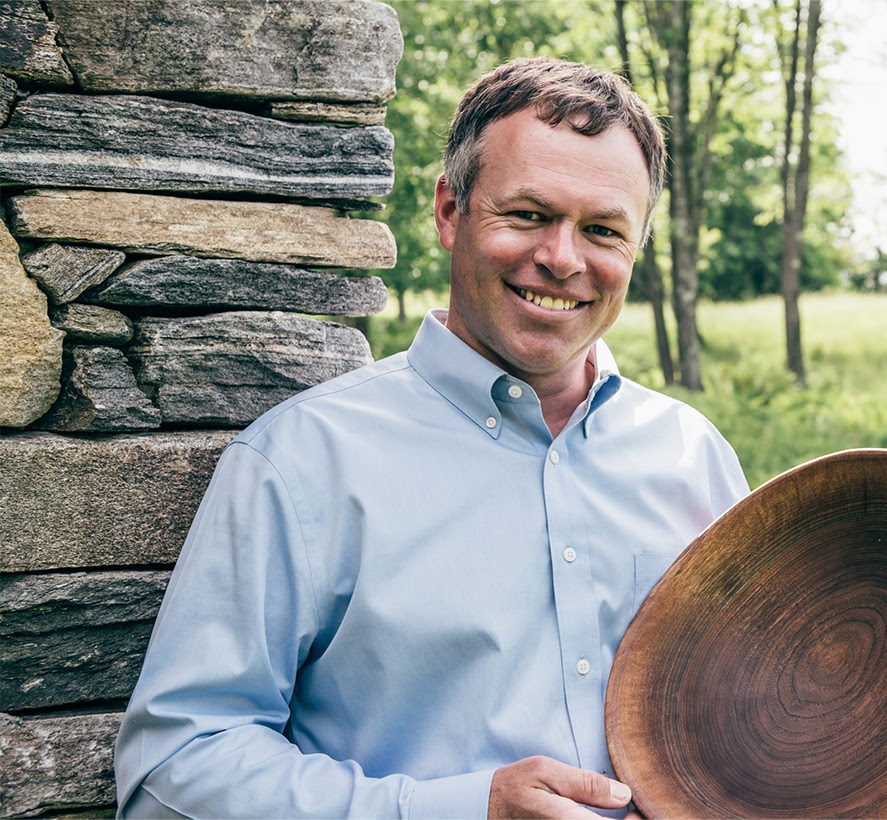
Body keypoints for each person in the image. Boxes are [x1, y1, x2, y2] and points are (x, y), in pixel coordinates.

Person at [114, 58, 749, 818]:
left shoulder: (692, 453)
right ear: (450, 210)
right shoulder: (303, 461)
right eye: (527, 214)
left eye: (603, 229)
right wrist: (457, 809)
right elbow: (173, 773)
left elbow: (748, 716)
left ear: (637, 246)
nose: (563, 258)